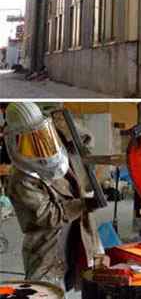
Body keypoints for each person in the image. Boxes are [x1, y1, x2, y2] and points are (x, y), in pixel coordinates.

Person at [3, 103, 103, 291]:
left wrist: (64, 124)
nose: (39, 146)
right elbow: (47, 216)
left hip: (79, 232)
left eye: (41, 135)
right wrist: (83, 204)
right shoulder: (22, 179)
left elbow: (86, 141)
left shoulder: (57, 149)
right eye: (30, 141)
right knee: (46, 291)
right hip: (47, 245)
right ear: (16, 142)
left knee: (91, 280)